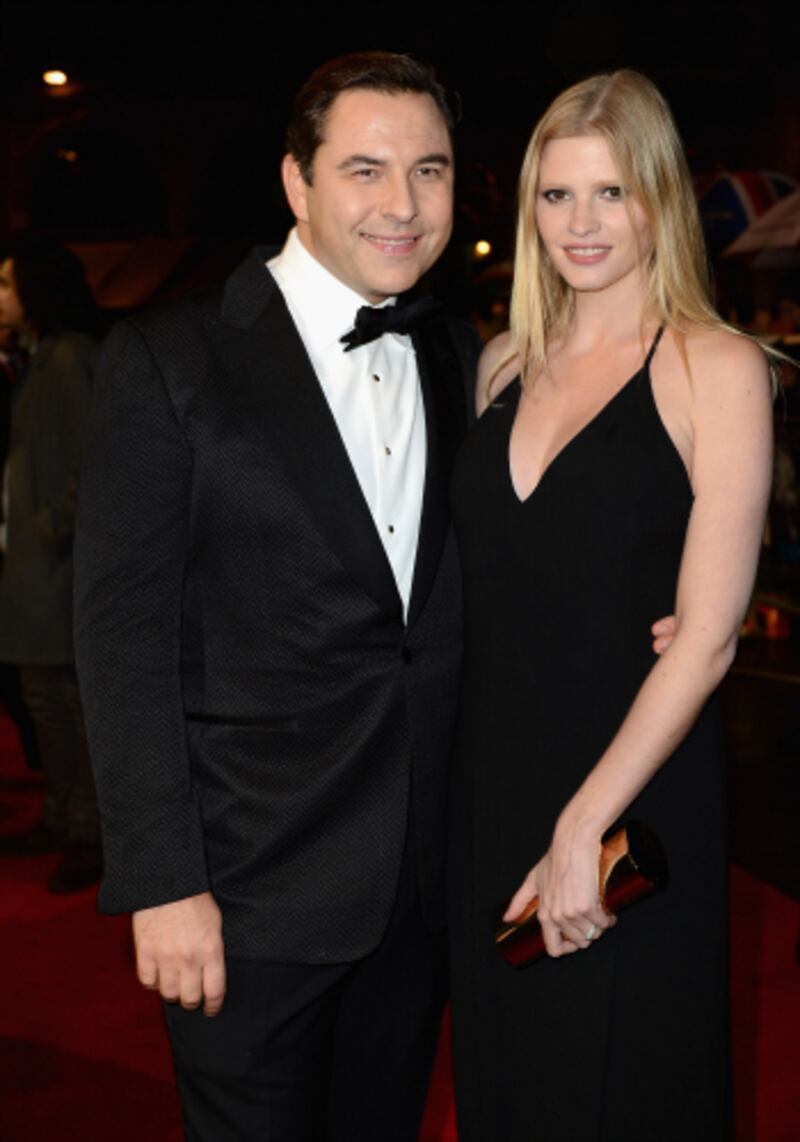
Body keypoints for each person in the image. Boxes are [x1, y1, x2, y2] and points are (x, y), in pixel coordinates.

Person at [74, 52, 480, 1141]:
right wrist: (162, 882)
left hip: (420, 885)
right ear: (297, 182)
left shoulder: (459, 351)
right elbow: (119, 641)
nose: (403, 204)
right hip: (247, 889)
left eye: (430, 170)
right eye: (365, 169)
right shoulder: (169, 355)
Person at [448, 70, 773, 1141]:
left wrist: (581, 824)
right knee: (510, 1084)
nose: (579, 224)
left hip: (630, 790)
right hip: (490, 787)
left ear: (657, 200)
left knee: (626, 1086)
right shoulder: (500, 365)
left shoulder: (714, 367)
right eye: (556, 195)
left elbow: (706, 637)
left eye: (609, 193)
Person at [0, 235, 102, 893]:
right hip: (39, 561)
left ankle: (88, 831)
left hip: (58, 565)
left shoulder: (68, 358)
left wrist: (49, 526)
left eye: (8, 284)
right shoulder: (46, 357)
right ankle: (66, 820)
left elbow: (93, 457)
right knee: (50, 703)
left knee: (69, 705)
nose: (1, 296)